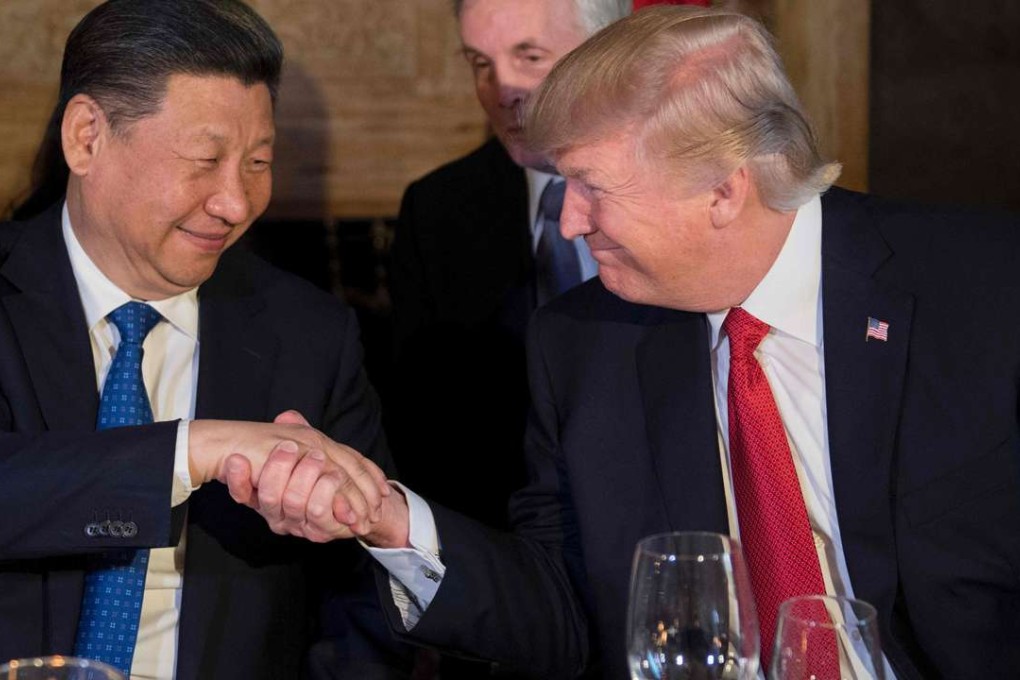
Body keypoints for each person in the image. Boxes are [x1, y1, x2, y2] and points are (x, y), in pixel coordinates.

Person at [337, 6, 1020, 679]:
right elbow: (567, 608)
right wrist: (393, 522)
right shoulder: (583, 344)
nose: (569, 223)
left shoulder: (984, 291)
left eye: (591, 187)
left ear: (723, 191)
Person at [0, 2, 409, 679]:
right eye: (205, 159)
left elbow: (362, 596)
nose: (237, 202)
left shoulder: (308, 334)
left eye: (257, 161)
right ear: (86, 138)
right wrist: (193, 449)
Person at [386, 0, 628, 530]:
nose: (501, 91)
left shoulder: (680, 191)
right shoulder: (437, 209)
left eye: (530, 56)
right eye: (480, 63)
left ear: (605, 52)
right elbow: (422, 428)